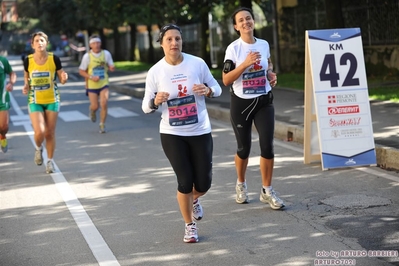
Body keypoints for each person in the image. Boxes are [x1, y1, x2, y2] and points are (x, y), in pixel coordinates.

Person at [142, 24, 222, 243]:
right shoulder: (156, 71)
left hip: (200, 130)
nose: (174, 43)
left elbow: (217, 87)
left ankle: (193, 200)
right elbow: (145, 106)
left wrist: (207, 90)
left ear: (182, 42)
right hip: (172, 133)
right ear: (161, 44)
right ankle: (189, 225)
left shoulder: (197, 63)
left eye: (177, 39)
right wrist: (155, 101)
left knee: (203, 183)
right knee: (185, 181)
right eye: (169, 39)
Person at [222, 7, 285, 210]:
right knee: (244, 148)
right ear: (236, 26)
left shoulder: (264, 44)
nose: (246, 22)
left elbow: (267, 65)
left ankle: (267, 190)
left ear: (253, 21)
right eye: (241, 20)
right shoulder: (233, 49)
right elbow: (226, 79)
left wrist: (270, 74)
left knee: (267, 146)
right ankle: (241, 183)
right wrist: (245, 64)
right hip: (241, 103)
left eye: (248, 18)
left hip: (263, 101)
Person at [23, 31, 68, 174]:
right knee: (40, 131)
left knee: (49, 132)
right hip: (35, 100)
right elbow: (26, 79)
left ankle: (49, 161)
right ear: (32, 44)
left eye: (42, 40)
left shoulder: (54, 59)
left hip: (52, 99)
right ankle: (38, 148)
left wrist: (64, 78)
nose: (39, 43)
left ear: (46, 43)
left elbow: (61, 78)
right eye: (36, 41)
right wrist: (25, 86)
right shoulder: (28, 60)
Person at [78, 35, 115, 133]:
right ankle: (92, 110)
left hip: (104, 82)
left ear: (100, 43)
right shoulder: (87, 56)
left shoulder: (106, 54)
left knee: (104, 103)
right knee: (95, 106)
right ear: (90, 45)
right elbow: (81, 71)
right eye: (94, 43)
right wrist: (91, 77)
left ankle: (102, 124)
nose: (96, 45)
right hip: (92, 84)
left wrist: (111, 67)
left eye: (98, 43)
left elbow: (111, 65)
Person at [0, 56, 17, 153]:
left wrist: (11, 83)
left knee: (4, 127)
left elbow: (12, 73)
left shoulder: (2, 61)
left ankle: (2, 136)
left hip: (1, 98)